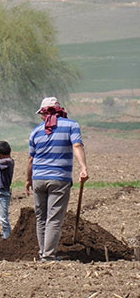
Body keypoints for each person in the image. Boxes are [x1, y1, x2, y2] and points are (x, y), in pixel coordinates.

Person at [25, 97, 88, 261]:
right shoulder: (71, 125)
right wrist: (83, 168)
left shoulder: (35, 132)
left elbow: (31, 159)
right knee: (54, 218)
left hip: (38, 178)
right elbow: (77, 145)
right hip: (59, 178)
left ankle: (42, 253)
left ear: (43, 114)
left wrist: (28, 180)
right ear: (60, 110)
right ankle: (48, 255)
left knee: (41, 218)